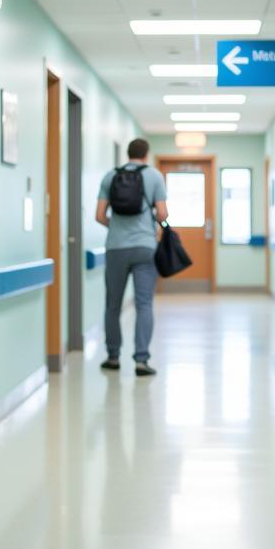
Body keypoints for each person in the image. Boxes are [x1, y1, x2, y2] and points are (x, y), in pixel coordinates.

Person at [95, 138, 168, 376]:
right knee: (144, 303)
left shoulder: (110, 176)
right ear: (145, 155)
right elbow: (163, 213)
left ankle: (113, 357)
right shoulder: (154, 176)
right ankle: (141, 360)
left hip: (115, 247)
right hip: (145, 247)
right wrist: (148, 228)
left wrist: (116, 228)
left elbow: (99, 215)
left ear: (127, 154)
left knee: (112, 304)